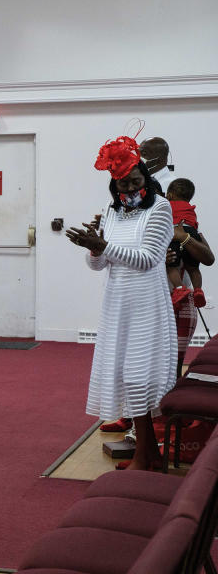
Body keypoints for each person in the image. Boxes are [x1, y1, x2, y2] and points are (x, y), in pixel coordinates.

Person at [66, 135, 176, 470]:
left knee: (139, 378)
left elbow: (147, 259)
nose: (130, 187)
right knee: (124, 376)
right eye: (123, 183)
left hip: (147, 305)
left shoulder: (160, 208)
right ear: (114, 185)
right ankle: (148, 455)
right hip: (117, 304)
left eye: (136, 181)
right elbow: (99, 265)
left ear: (147, 178)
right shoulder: (113, 213)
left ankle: (147, 456)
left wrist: (104, 246)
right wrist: (93, 248)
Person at [165, 178, 205, 307]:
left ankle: (179, 288)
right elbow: (195, 225)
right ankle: (198, 290)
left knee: (172, 266)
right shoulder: (191, 208)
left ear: (170, 194)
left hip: (176, 232)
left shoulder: (167, 206)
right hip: (191, 234)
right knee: (193, 268)